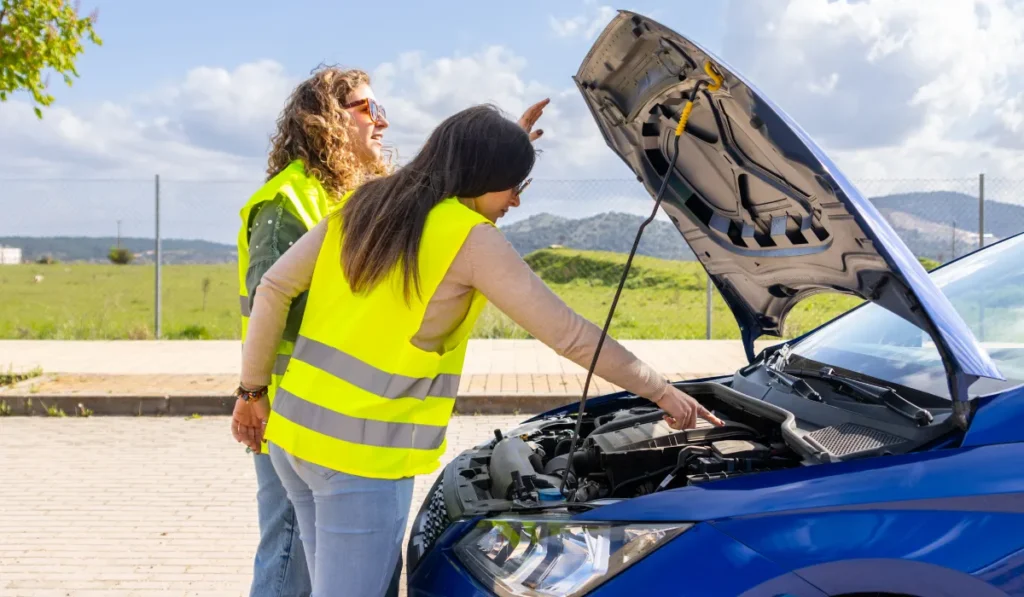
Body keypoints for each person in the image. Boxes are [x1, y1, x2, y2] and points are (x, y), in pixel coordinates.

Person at [234, 104, 722, 596]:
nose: (516, 200)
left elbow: (273, 287)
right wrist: (663, 392)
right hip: (360, 459)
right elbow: (569, 334)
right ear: (483, 173)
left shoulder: (367, 205)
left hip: (294, 439)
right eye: (514, 185)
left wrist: (252, 390)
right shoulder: (470, 240)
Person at [232, 67, 550, 597]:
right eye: (366, 109)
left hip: (343, 418)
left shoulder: (359, 195)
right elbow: (283, 302)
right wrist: (253, 392)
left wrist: (497, 163)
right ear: (325, 120)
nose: (382, 122)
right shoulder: (289, 201)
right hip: (290, 411)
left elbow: (438, 222)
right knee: (290, 564)